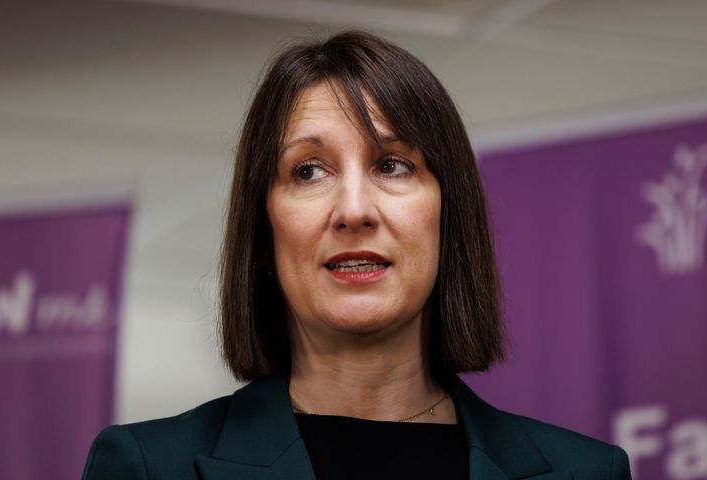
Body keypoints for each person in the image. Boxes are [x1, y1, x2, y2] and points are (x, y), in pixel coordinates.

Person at [82, 30, 632, 479]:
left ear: (448, 216)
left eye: (392, 165)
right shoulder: (150, 467)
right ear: (264, 230)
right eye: (309, 171)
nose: (353, 210)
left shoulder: (588, 472)